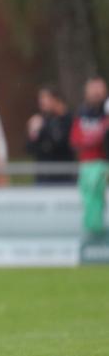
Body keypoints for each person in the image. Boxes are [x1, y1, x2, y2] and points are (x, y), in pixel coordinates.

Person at [70, 77, 109, 238]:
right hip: (87, 164)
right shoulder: (83, 112)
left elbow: (100, 137)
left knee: (95, 198)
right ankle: (93, 232)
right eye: (92, 89)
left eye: (98, 89)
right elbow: (75, 139)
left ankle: (96, 233)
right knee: (90, 200)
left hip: (102, 162)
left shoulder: (105, 111)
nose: (95, 93)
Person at [26, 85, 75, 184]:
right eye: (40, 98)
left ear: (56, 99)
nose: (41, 102)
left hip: (64, 176)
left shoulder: (69, 119)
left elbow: (61, 144)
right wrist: (33, 132)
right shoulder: (41, 120)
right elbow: (29, 149)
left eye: (45, 98)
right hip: (43, 176)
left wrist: (46, 144)